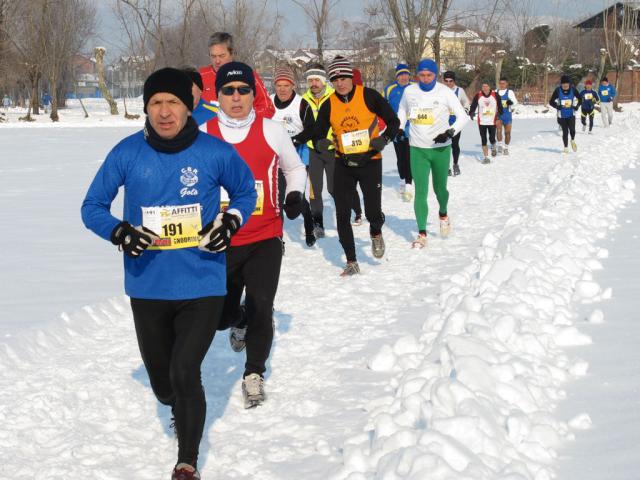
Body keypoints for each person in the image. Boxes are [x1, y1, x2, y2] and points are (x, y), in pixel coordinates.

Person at [81, 67, 257, 480]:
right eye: (156, 103)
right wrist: (119, 231)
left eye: (173, 102)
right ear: (146, 108)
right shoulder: (126, 153)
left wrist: (230, 221)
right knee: (164, 385)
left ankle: (187, 460)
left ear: (189, 105)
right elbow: (92, 207)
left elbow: (246, 192)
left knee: (184, 371)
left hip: (203, 281)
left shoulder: (215, 152)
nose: (164, 111)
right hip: (148, 284)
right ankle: (175, 405)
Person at [206, 61, 306, 408]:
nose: (236, 98)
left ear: (253, 93)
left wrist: (294, 194)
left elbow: (295, 168)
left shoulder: (272, 130)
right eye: (228, 91)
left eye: (243, 90)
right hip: (221, 241)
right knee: (220, 316)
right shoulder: (204, 134)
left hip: (265, 236)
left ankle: (254, 373)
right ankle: (239, 317)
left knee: (263, 306)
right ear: (218, 95)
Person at [313, 56, 400, 276]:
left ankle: (376, 232)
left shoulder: (369, 96)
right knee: (342, 214)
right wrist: (322, 143)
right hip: (343, 163)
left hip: (370, 161)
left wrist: (384, 139)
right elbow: (318, 135)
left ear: (351, 77)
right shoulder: (328, 104)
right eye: (335, 79)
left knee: (372, 212)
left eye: (343, 77)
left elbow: (394, 122)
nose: (340, 83)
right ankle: (351, 261)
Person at [397, 59, 469, 249]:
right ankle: (422, 234)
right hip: (417, 149)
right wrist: (399, 126)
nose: (426, 78)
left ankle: (443, 213)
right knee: (420, 192)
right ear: (417, 75)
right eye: (422, 75)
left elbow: (463, 116)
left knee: (440, 190)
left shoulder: (445, 92)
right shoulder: (410, 91)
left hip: (441, 149)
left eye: (429, 75)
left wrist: (449, 132)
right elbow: (403, 110)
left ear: (435, 75)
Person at [269, 64, 316, 247]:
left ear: (293, 85)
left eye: (286, 85)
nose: (282, 89)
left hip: (298, 158)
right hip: (274, 160)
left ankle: (309, 226)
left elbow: (312, 129)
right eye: (279, 85)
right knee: (277, 199)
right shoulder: (268, 102)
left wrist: (294, 140)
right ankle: (277, 238)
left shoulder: (302, 104)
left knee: (296, 198)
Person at [198, 32, 275, 120]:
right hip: (207, 131)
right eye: (213, 56)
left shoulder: (248, 75)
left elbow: (267, 108)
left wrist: (241, 120)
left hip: (240, 131)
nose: (217, 61)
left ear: (232, 54)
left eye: (222, 56)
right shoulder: (199, 76)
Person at [384, 63, 415, 200]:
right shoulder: (389, 89)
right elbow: (382, 107)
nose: (404, 77)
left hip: (413, 128)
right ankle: (403, 178)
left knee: (409, 157)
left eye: (406, 74)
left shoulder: (415, 87)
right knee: (400, 158)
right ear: (397, 77)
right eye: (401, 75)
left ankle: (409, 184)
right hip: (396, 129)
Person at [442, 71, 470, 176]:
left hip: (456, 122)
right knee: (445, 145)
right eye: (446, 81)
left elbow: (466, 102)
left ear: (454, 81)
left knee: (454, 144)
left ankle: (455, 164)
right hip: (443, 121)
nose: (448, 83)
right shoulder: (440, 90)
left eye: (451, 81)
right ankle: (447, 167)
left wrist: (466, 110)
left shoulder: (459, 90)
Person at [468, 81, 503, 164]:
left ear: (490, 87)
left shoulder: (495, 95)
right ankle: (486, 157)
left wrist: (499, 116)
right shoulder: (478, 95)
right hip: (482, 121)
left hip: (492, 121)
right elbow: (473, 105)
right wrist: (471, 113)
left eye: (486, 86)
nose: (485, 88)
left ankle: (493, 146)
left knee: (491, 138)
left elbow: (500, 106)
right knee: (483, 139)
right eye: (483, 86)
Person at [549, 74, 581, 154]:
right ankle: (566, 148)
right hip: (561, 115)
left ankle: (572, 140)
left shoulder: (573, 90)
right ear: (561, 84)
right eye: (563, 84)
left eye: (567, 83)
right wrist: (557, 106)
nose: (565, 85)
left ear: (569, 84)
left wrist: (576, 106)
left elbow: (580, 99)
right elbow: (551, 102)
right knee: (565, 131)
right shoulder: (557, 90)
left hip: (571, 114)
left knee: (572, 130)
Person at [495, 77, 518, 155]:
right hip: (498, 115)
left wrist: (510, 102)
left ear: (506, 84)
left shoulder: (510, 92)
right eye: (500, 83)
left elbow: (515, 102)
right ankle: (500, 145)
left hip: (507, 115)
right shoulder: (496, 91)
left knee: (507, 133)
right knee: (498, 130)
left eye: (503, 83)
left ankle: (506, 147)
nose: (502, 85)